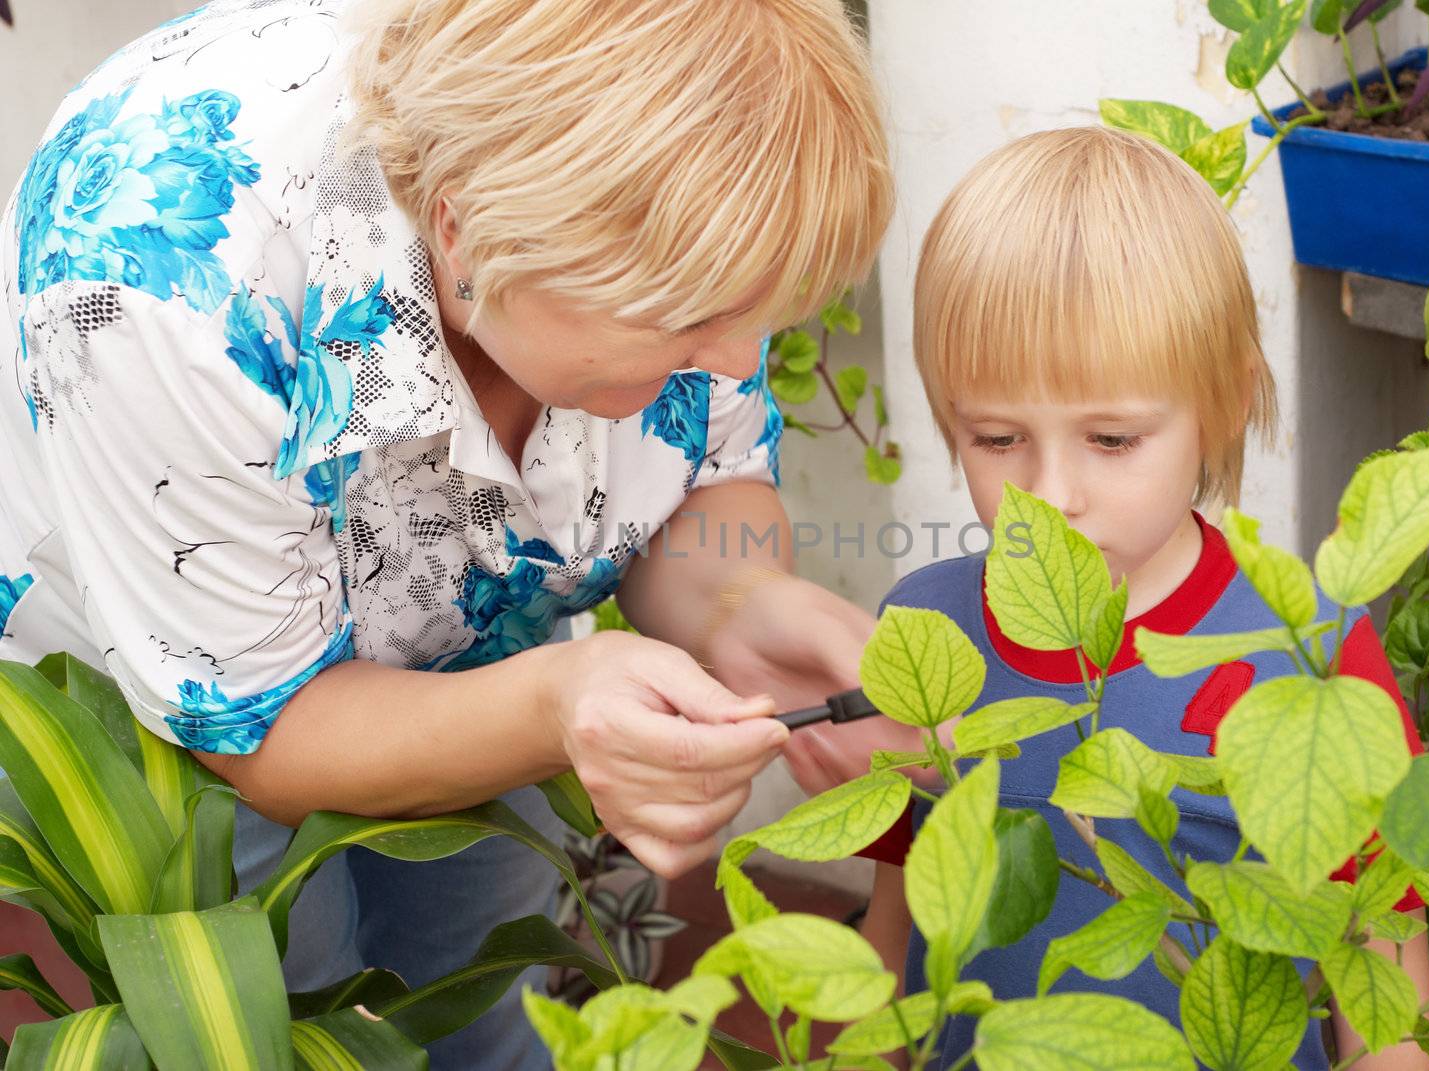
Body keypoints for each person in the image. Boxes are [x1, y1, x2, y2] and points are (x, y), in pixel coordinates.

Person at [0, 1, 891, 1066]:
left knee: (480, 974)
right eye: (691, 321)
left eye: (760, 314)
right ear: (466, 230)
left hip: (487, 646)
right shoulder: (153, 279)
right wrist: (561, 700)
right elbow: (262, 728)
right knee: (303, 999)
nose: (744, 362)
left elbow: (703, 480)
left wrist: (748, 608)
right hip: (167, 695)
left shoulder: (680, 224)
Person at [792, 127, 1429, 1069]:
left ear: (1221, 404)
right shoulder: (923, 631)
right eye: (998, 439)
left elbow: (1384, 978)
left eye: (1112, 440)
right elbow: (899, 920)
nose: (1051, 494)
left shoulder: (1311, 657)